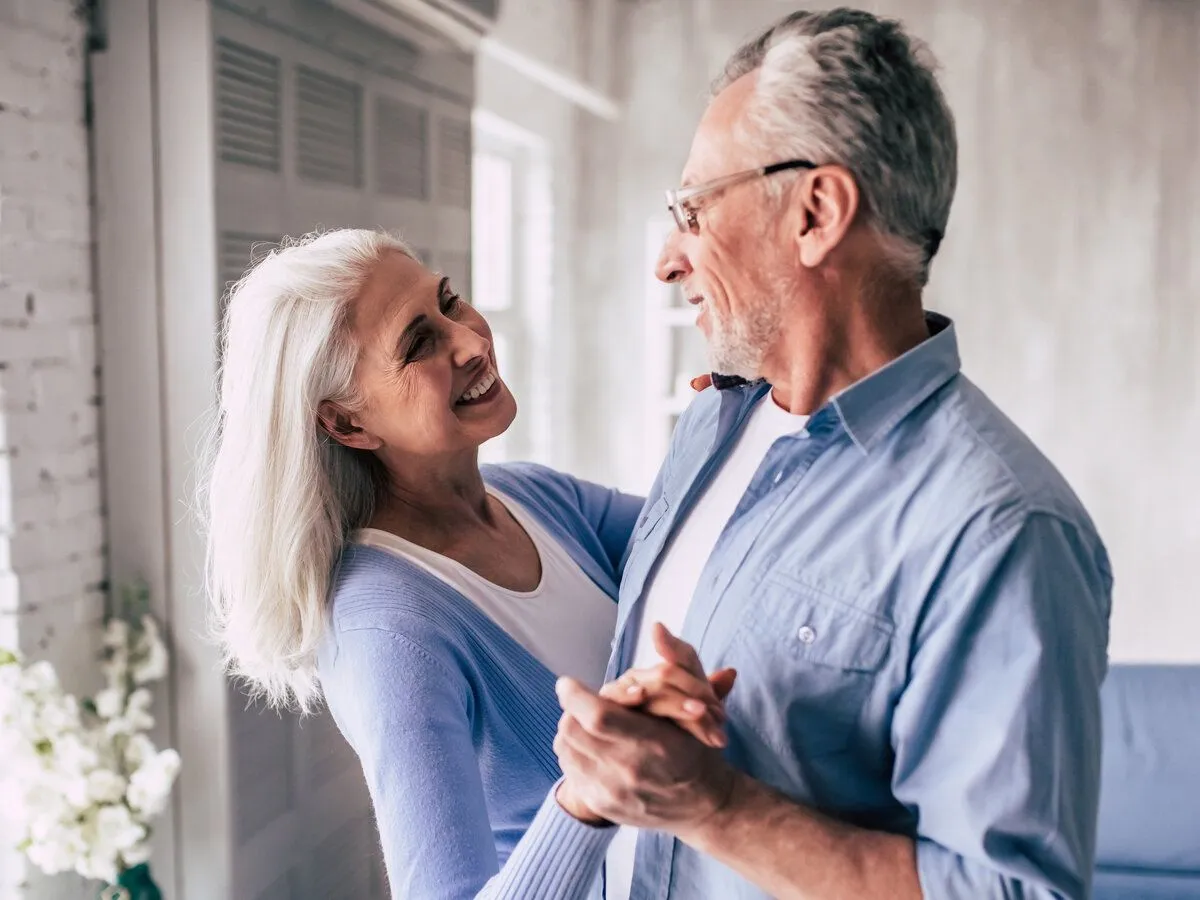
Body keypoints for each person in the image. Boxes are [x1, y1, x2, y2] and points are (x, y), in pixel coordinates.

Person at [494, 9, 1113, 900]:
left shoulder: (1002, 529)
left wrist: (714, 808)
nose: (668, 260)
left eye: (693, 208)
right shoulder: (715, 422)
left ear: (816, 213)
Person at [201, 229, 733, 899]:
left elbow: (717, 543)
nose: (472, 341)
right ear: (347, 425)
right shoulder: (389, 631)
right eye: (419, 343)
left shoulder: (533, 495)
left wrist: (740, 414)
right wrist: (588, 797)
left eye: (448, 301)